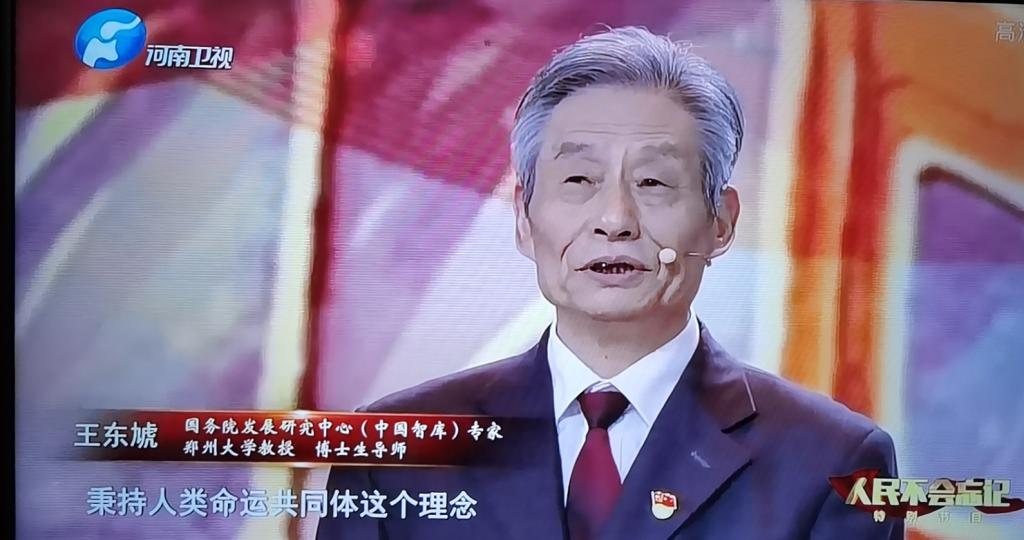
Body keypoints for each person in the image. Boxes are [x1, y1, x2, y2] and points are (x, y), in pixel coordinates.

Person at [317, 26, 902, 540]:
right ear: (523, 219)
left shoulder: (833, 462)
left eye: (654, 182)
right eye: (578, 179)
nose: (615, 220)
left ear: (721, 223)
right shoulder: (395, 451)